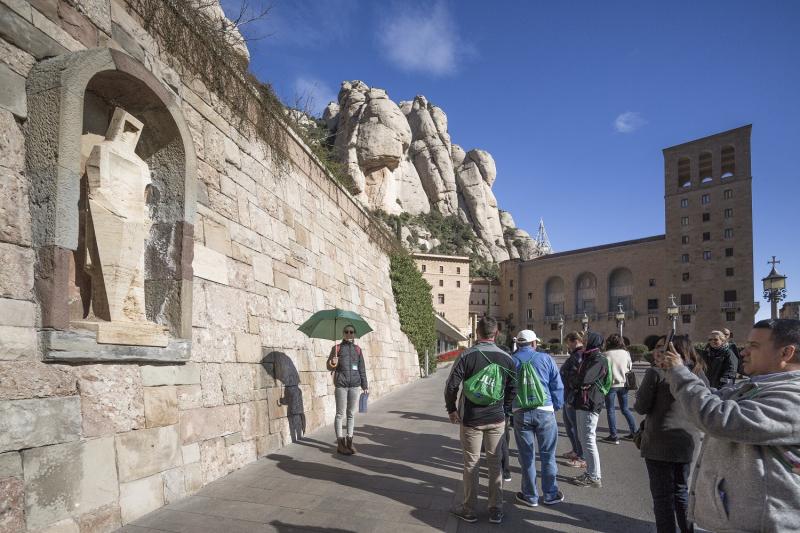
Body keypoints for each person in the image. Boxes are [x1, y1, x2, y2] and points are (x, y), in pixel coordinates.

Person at [654, 319, 800, 532]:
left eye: (754, 346)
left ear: (786, 353)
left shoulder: (792, 397)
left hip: (763, 524)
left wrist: (679, 372)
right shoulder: (756, 386)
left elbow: (718, 418)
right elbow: (713, 397)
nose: (743, 352)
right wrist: (677, 369)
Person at [445, 316, 516, 524]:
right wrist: (505, 409)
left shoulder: (467, 356)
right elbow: (513, 388)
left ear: (477, 333)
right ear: (496, 334)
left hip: (471, 419)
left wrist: (451, 409)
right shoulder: (506, 358)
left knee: (471, 463)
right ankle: (496, 509)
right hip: (497, 418)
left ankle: (469, 509)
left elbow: (451, 386)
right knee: (495, 463)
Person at [635, 335, 707, 533]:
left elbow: (641, 407)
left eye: (662, 347)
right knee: (681, 492)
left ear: (674, 350)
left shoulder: (656, 372)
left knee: (662, 498)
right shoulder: (697, 372)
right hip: (688, 441)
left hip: (659, 443)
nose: (657, 351)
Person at [511, 329, 565, 507]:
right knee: (548, 455)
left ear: (518, 344)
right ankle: (550, 494)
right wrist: (554, 406)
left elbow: (507, 388)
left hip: (520, 412)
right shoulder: (546, 359)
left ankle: (530, 496)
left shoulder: (511, 360)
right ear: (534, 343)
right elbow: (557, 385)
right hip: (545, 410)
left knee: (526, 456)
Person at [568, 332, 608, 488]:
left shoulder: (598, 359)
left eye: (585, 340)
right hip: (583, 402)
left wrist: (574, 380)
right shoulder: (589, 357)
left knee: (588, 439)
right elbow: (579, 379)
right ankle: (591, 473)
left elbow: (584, 379)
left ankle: (594, 476)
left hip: (590, 403)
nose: (582, 342)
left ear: (593, 342)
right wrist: (576, 380)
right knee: (584, 438)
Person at [327, 325, 368, 455]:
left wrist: (365, 386)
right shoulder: (336, 348)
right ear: (343, 334)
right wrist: (333, 362)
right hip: (341, 385)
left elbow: (362, 369)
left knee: (350, 414)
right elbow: (329, 366)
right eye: (346, 332)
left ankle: (349, 441)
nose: (349, 334)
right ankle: (340, 444)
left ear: (354, 334)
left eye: (351, 332)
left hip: (354, 386)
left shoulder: (358, 350)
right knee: (340, 414)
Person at [602, 333, 638, 444]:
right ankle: (634, 433)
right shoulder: (626, 353)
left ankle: (614, 436)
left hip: (611, 385)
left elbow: (603, 371)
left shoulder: (605, 355)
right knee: (625, 409)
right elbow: (630, 367)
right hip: (624, 384)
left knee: (611, 410)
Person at [560, 331, 587, 468]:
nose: (567, 346)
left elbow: (577, 376)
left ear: (574, 341)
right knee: (569, 426)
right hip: (568, 395)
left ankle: (581, 456)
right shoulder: (576, 355)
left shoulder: (579, 355)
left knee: (576, 428)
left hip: (573, 396)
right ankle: (576, 450)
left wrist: (569, 383)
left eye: (568, 343)